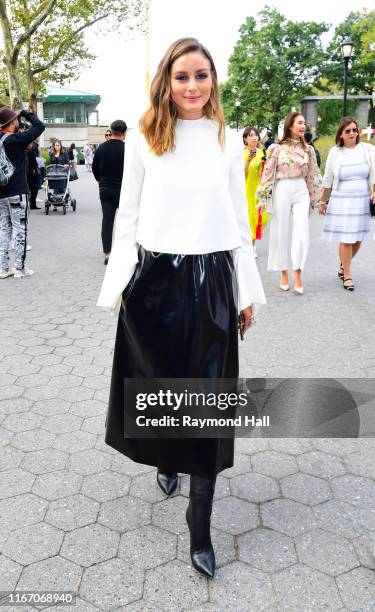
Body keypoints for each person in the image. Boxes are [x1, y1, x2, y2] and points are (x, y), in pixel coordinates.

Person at [97, 37, 266, 578]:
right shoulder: (146, 138)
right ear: (166, 82)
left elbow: (239, 224)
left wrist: (246, 291)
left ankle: (201, 526)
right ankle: (166, 458)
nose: (193, 86)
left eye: (202, 75)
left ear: (213, 79)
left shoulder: (226, 138)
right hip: (156, 280)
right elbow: (127, 217)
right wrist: (120, 284)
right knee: (160, 383)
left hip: (214, 278)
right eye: (182, 77)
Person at [257, 111, 322, 294]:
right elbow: (268, 174)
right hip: (283, 188)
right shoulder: (276, 148)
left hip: (301, 189)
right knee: (280, 231)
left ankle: (298, 272)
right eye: (299, 123)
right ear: (290, 126)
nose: (302, 126)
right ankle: (283, 272)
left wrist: (315, 200)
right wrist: (262, 198)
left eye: (304, 123)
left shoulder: (308, 149)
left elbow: (313, 175)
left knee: (302, 231)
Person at [318, 117, 375, 291]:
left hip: (362, 200)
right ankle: (347, 275)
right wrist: (322, 201)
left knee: (358, 238)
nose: (352, 133)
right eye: (348, 131)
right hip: (342, 200)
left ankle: (344, 265)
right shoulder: (335, 152)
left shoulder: (368, 149)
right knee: (347, 238)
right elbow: (327, 178)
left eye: (354, 130)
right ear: (341, 134)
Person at [0, 106, 45, 279]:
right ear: (13, 121)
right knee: (20, 229)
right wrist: (25, 112)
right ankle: (20, 268)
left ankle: (3, 268)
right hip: (17, 191)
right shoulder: (16, 139)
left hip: (1, 193)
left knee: (4, 230)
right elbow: (40, 126)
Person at [92, 119, 127, 265]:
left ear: (111, 131)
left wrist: (101, 181)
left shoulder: (100, 148)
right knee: (126, 221)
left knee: (107, 221)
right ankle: (126, 251)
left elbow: (94, 168)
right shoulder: (128, 149)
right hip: (124, 190)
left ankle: (108, 254)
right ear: (124, 134)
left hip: (105, 189)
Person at [243, 126, 269, 257]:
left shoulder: (263, 153)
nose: (254, 137)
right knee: (251, 217)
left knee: (263, 217)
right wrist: (248, 160)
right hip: (248, 189)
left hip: (261, 190)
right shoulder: (242, 154)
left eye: (256, 135)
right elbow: (241, 174)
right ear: (245, 139)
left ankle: (251, 244)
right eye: (251, 135)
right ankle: (251, 246)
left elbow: (268, 171)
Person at [26, 140, 40, 209]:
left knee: (29, 188)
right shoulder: (33, 147)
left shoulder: (26, 147)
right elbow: (34, 160)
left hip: (27, 171)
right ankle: (32, 204)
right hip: (32, 171)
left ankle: (29, 203)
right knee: (34, 188)